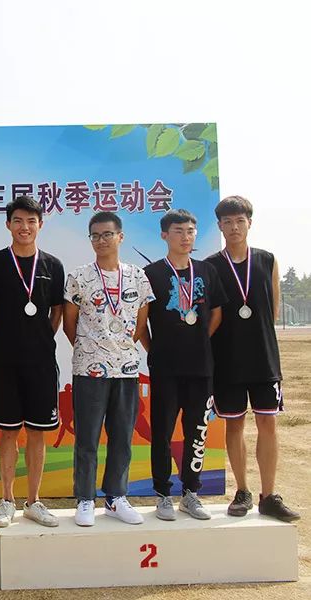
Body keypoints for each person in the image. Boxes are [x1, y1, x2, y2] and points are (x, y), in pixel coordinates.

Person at [206, 195, 299, 521]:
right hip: (227, 360)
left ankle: (268, 495)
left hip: (263, 358)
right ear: (219, 226)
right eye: (227, 222)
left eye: (239, 221)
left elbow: (272, 310)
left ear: (249, 223)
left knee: (268, 423)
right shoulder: (211, 266)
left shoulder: (267, 260)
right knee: (234, 424)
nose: (234, 227)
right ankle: (242, 491)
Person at [0, 197, 64, 527]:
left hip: (41, 362)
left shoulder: (53, 265)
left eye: (31, 220)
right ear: (8, 224)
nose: (24, 227)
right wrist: (0, 337)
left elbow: (57, 309)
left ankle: (34, 501)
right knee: (8, 432)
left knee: (38, 433)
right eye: (18, 220)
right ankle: (7, 500)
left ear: (40, 224)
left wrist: (41, 337)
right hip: (6, 361)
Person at [63, 212, 154, 526]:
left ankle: (116, 498)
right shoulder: (79, 276)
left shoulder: (138, 277)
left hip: (126, 369)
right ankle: (85, 499)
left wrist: (120, 348)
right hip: (89, 369)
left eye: (107, 234)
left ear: (120, 237)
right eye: (95, 235)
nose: (101, 240)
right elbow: (70, 324)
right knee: (87, 438)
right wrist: (93, 348)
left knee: (122, 437)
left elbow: (141, 324)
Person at [141, 209, 226, 521]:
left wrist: (199, 340)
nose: (185, 237)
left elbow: (216, 314)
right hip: (165, 367)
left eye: (190, 231)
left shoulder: (206, 270)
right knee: (162, 431)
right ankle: (163, 494)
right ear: (164, 235)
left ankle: (191, 493)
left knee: (197, 430)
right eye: (178, 231)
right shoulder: (150, 273)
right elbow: (141, 322)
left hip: (201, 367)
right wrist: (155, 349)